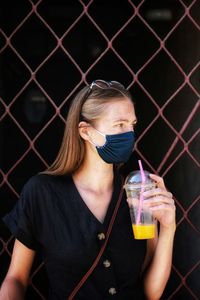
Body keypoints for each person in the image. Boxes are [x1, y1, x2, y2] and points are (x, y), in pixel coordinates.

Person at [0, 80, 176, 300]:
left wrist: (168, 227)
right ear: (86, 132)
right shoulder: (42, 193)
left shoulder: (138, 191)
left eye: (132, 124)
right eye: (119, 124)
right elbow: (16, 278)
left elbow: (151, 292)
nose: (129, 134)